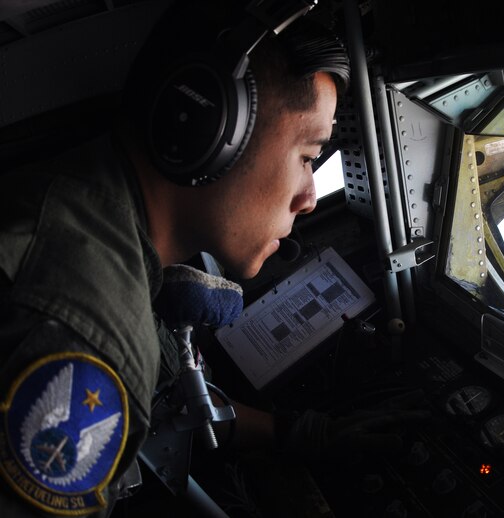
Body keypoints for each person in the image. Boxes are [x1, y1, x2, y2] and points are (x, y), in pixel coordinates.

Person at [0, 1, 351, 515]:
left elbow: (172, 394)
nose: (310, 197)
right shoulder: (90, 342)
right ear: (209, 127)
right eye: (307, 158)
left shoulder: (80, 196)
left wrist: (291, 431)